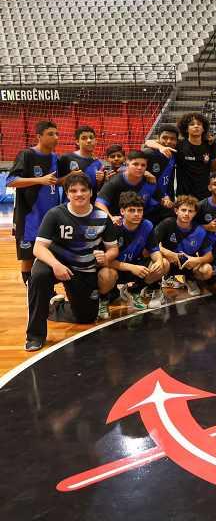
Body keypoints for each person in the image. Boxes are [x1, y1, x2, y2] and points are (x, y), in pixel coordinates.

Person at [24, 173, 119, 351]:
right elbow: (38, 248)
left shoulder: (102, 217)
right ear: (67, 194)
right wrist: (56, 264)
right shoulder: (55, 214)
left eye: (83, 190)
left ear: (91, 192)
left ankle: (54, 305)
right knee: (39, 277)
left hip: (83, 268)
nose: (79, 194)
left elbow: (113, 248)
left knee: (86, 318)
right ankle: (35, 336)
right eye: (73, 191)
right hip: (54, 262)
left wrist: (107, 257)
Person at [8, 120, 61, 287]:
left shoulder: (55, 157)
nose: (56, 137)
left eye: (57, 134)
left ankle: (47, 293)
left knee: (48, 258)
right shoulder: (26, 155)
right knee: (28, 258)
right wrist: (39, 180)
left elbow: (55, 182)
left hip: (50, 217)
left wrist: (70, 177)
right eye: (51, 134)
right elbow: (11, 181)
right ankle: (31, 294)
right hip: (29, 218)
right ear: (39, 136)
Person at [98, 191, 168, 317]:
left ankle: (135, 291)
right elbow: (105, 261)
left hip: (137, 267)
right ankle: (103, 300)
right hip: (116, 268)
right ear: (122, 211)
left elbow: (154, 250)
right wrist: (131, 267)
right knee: (105, 274)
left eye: (139, 210)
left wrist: (158, 261)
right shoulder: (113, 227)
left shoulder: (147, 225)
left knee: (164, 264)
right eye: (131, 210)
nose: (136, 214)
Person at [154, 195, 215, 297]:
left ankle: (190, 280)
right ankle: (158, 285)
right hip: (169, 264)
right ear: (176, 211)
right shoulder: (167, 223)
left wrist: (195, 260)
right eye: (183, 210)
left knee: (207, 270)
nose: (186, 214)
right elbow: (151, 246)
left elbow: (210, 256)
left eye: (190, 211)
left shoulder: (199, 230)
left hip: (188, 265)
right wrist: (167, 252)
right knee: (163, 264)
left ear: (195, 213)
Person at [96, 150, 161, 223]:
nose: (139, 168)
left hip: (141, 221)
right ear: (127, 163)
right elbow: (99, 203)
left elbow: (157, 202)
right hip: (118, 222)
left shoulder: (150, 181)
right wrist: (111, 218)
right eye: (135, 164)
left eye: (143, 165)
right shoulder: (115, 182)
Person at [142, 123, 179, 223]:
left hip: (166, 200)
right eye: (165, 138)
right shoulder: (149, 153)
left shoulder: (175, 153)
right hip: (148, 201)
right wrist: (144, 172)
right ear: (158, 139)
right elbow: (130, 164)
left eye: (172, 139)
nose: (168, 141)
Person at [57, 125, 105, 201]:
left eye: (91, 137)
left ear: (95, 140)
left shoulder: (98, 163)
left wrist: (100, 181)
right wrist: (70, 176)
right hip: (69, 205)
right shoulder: (66, 158)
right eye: (84, 138)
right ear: (77, 142)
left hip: (90, 205)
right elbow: (56, 182)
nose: (89, 140)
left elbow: (97, 189)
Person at [174, 112, 213, 200]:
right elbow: (149, 142)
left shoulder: (210, 145)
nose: (196, 126)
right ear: (186, 129)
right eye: (192, 124)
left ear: (203, 129)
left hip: (205, 195)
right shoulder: (179, 145)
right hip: (184, 196)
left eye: (199, 124)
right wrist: (160, 147)